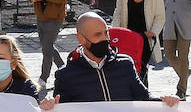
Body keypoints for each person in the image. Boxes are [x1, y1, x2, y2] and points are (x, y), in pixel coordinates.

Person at [50, 12, 181, 105]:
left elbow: (144, 97)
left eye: (106, 32)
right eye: (97, 35)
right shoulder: (66, 75)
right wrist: (49, 107)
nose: (105, 38)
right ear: (81, 38)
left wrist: (166, 101)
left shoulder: (125, 65)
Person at [113, 0, 164, 85]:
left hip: (144, 38)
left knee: (142, 70)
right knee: (125, 68)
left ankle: (143, 97)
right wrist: (115, 31)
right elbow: (118, 12)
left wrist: (153, 31)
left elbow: (160, 16)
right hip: (127, 37)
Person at [26, 0, 72, 85]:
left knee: (46, 49)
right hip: (41, 16)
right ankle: (65, 70)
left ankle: (43, 78)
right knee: (48, 47)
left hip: (55, 17)